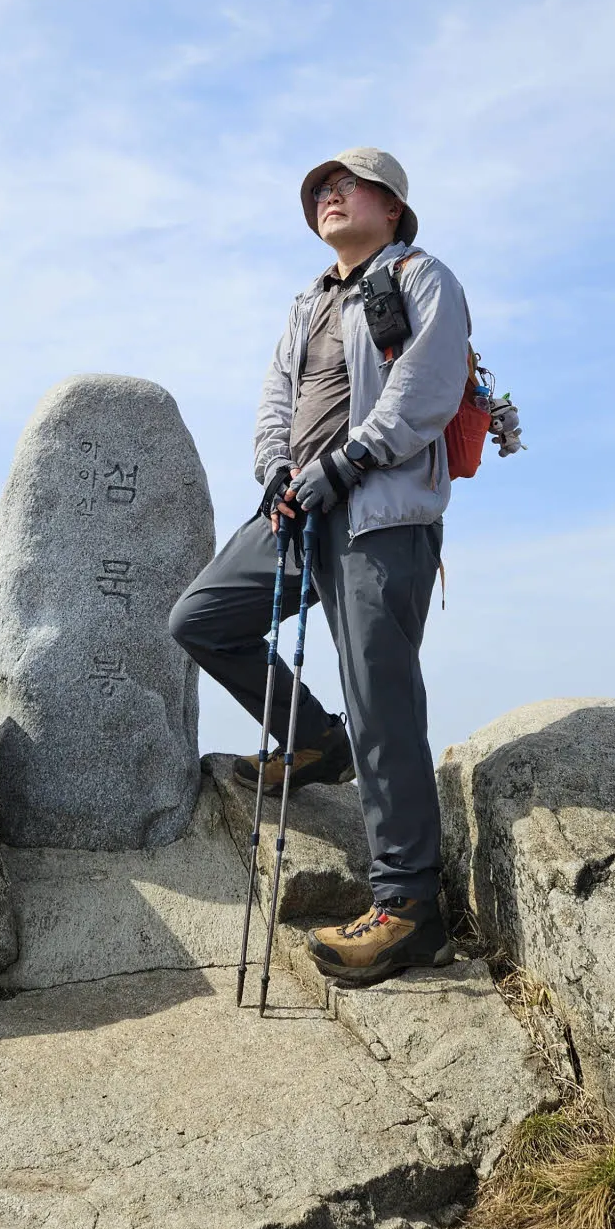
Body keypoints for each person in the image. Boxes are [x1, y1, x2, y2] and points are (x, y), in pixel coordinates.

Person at [169, 148, 470, 987]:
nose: (327, 196)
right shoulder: (307, 303)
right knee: (200, 616)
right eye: (317, 192)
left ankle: (409, 907)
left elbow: (430, 384)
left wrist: (350, 461)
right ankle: (312, 740)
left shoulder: (422, 277)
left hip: (379, 515)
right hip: (300, 509)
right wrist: (276, 471)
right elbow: (275, 397)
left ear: (393, 203)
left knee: (382, 696)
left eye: (345, 184)